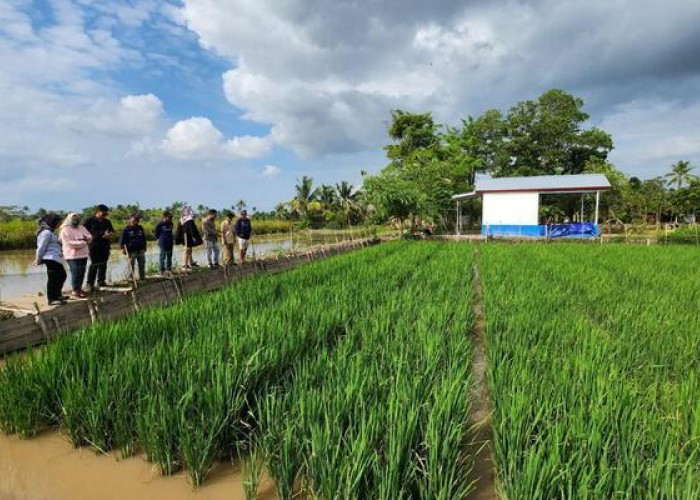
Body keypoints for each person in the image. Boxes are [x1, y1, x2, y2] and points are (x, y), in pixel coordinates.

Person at [35, 214, 67, 306]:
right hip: (50, 258)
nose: (59, 225)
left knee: (62, 276)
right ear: (52, 222)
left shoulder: (50, 232)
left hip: (55, 258)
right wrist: (38, 259)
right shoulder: (46, 233)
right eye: (58, 223)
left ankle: (57, 295)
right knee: (53, 278)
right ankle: (51, 299)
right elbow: (41, 248)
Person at [59, 213, 92, 298]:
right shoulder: (65, 230)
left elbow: (90, 237)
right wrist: (83, 242)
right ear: (69, 219)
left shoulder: (82, 227)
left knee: (82, 272)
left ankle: (79, 288)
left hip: (83, 254)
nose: (75, 220)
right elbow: (69, 243)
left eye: (77, 219)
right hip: (72, 255)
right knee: (75, 273)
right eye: (73, 219)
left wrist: (85, 239)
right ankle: (75, 290)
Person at [84, 204, 114, 290]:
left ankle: (101, 281)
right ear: (98, 211)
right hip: (93, 246)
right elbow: (82, 232)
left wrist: (109, 234)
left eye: (106, 214)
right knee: (94, 265)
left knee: (103, 264)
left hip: (105, 246)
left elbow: (111, 231)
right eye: (103, 213)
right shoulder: (89, 221)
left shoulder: (107, 222)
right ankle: (89, 284)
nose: (105, 215)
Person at [119, 213, 147, 281]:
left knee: (142, 263)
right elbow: (122, 240)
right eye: (134, 219)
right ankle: (131, 279)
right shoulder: (126, 229)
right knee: (131, 265)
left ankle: (142, 277)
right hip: (131, 250)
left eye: (137, 220)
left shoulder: (140, 228)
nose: (135, 221)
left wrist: (145, 246)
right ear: (130, 219)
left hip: (141, 249)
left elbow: (143, 238)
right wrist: (122, 248)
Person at [175, 205, 203, 272]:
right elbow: (193, 230)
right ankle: (184, 266)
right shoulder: (189, 220)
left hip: (186, 237)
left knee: (189, 250)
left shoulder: (182, 219)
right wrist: (197, 238)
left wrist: (178, 239)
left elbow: (178, 231)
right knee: (186, 251)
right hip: (186, 237)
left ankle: (190, 264)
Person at [155, 211, 174, 277]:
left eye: (171, 217)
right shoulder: (160, 224)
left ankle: (169, 269)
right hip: (163, 242)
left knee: (169, 256)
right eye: (169, 217)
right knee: (162, 256)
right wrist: (158, 240)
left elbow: (171, 232)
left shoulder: (171, 223)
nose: (171, 219)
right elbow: (156, 233)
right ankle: (162, 270)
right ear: (165, 216)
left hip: (170, 242)